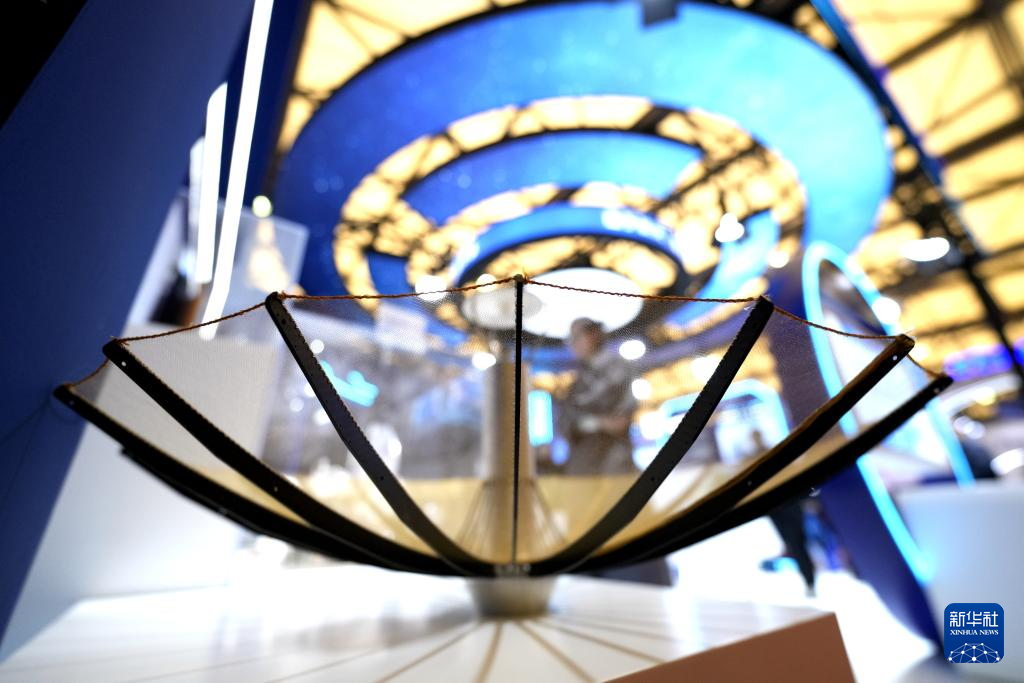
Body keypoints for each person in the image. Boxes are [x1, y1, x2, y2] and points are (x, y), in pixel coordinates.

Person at [557, 318, 637, 475]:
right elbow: (565, 421)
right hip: (583, 465)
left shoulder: (619, 369)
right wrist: (599, 422)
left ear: (594, 334)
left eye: (576, 337)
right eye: (571, 339)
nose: (573, 344)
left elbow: (619, 421)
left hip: (613, 464)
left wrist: (587, 422)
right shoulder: (579, 381)